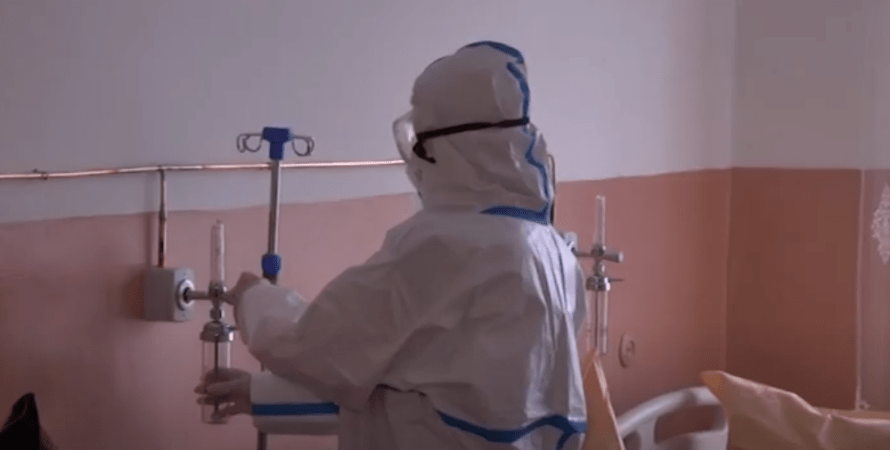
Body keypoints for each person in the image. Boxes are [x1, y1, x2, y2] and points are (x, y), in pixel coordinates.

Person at [196, 41, 589, 450]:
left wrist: (254, 298)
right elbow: (439, 393)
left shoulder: (446, 246)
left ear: (445, 150)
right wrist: (258, 393)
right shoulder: (554, 253)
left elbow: (318, 346)